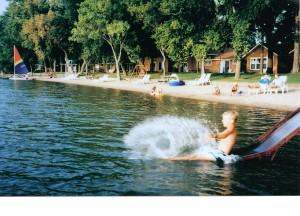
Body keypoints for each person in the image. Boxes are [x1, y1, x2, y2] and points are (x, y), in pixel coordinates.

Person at [167, 111, 239, 161]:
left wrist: (214, 135)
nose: (222, 121)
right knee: (201, 151)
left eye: (224, 119)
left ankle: (170, 159)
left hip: (221, 155)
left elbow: (223, 135)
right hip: (217, 152)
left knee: (194, 157)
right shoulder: (230, 129)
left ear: (231, 121)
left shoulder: (231, 130)